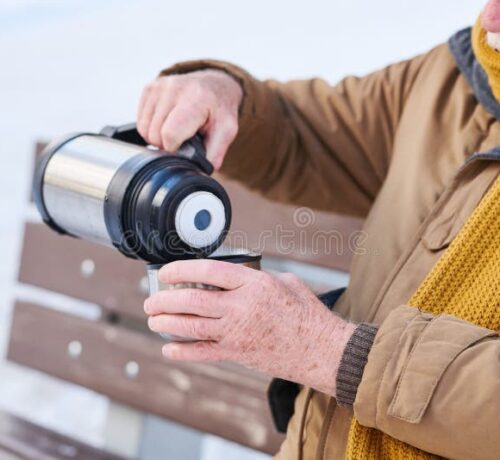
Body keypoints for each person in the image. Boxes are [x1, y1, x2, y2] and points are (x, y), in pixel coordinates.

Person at [138, 1, 500, 459]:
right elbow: (308, 134)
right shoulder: (455, 78)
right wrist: (227, 94)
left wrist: (333, 352)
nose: (491, 15)